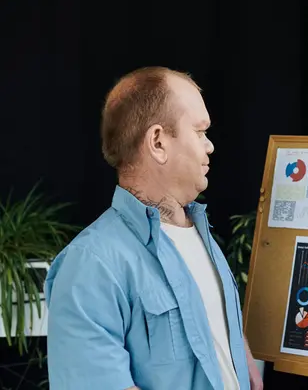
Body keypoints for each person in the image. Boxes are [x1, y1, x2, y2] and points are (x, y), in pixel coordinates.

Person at [45, 67, 264, 390]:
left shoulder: (202, 237)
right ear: (158, 142)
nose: (210, 147)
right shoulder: (90, 265)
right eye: (200, 132)